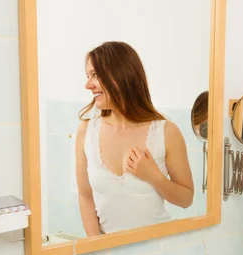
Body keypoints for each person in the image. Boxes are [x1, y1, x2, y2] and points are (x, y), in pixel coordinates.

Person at [75, 41, 194, 236]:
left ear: (120, 75)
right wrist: (97, 249)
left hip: (159, 251)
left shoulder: (166, 131)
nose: (88, 85)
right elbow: (85, 197)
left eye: (95, 75)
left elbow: (186, 199)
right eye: (88, 76)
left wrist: (154, 177)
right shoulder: (86, 132)